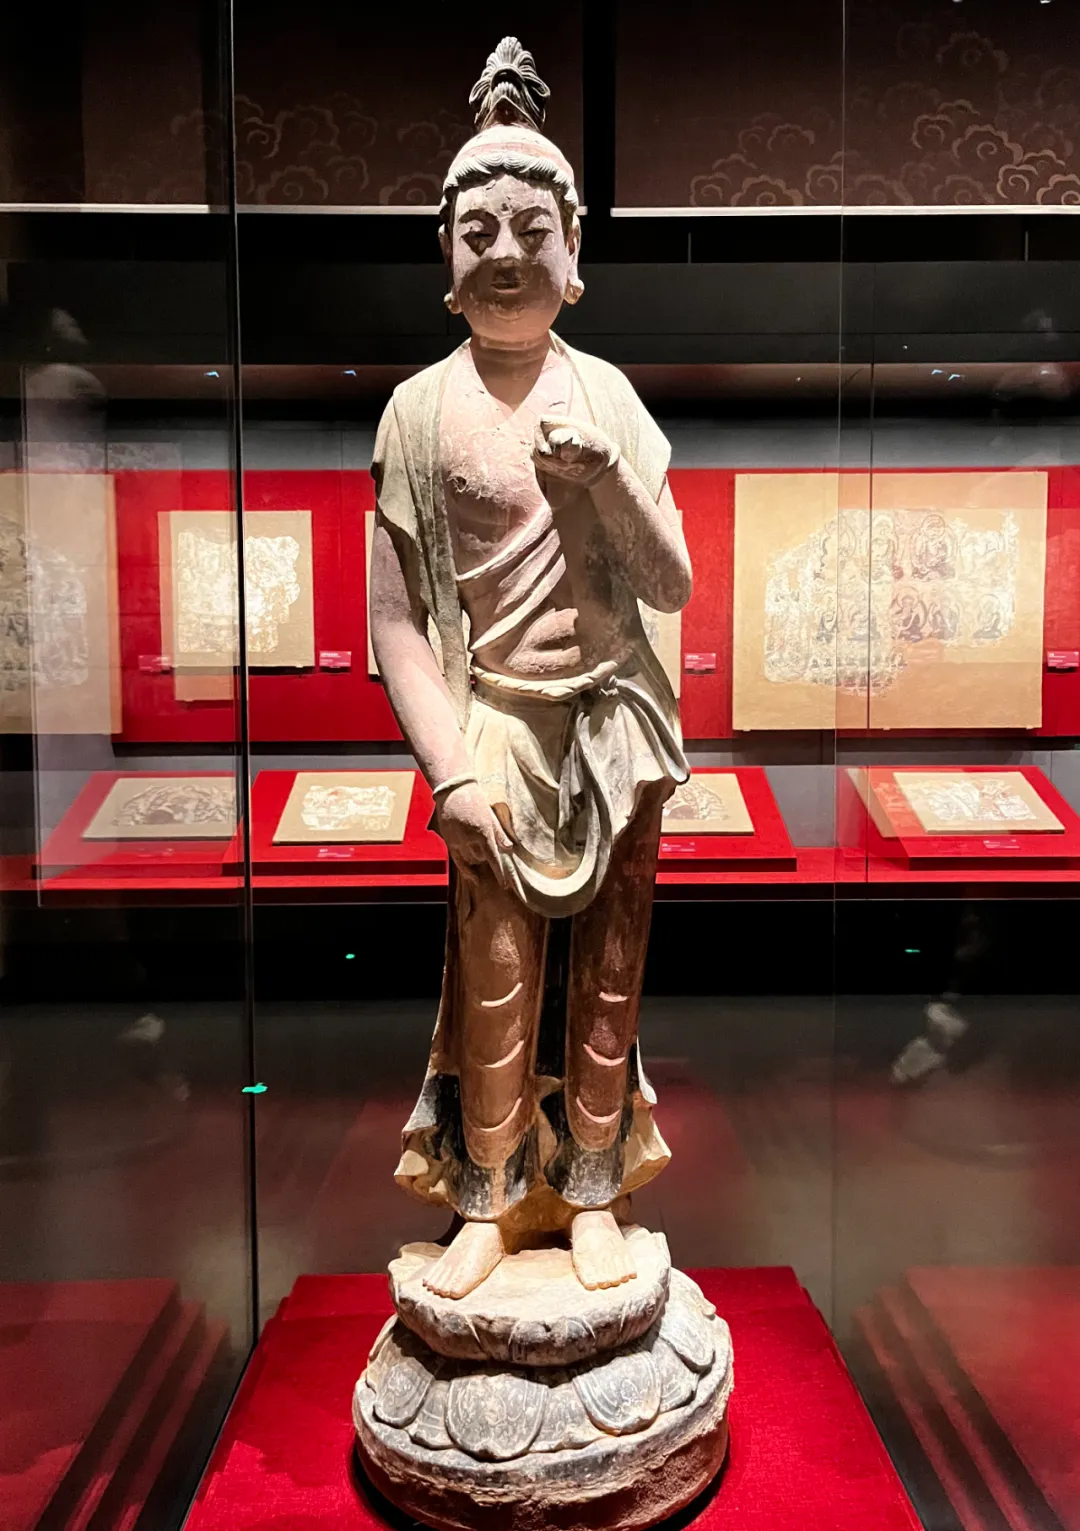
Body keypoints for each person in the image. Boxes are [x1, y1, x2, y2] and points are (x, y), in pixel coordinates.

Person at [369, 38, 691, 1299]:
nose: (505, 252)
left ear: (575, 251)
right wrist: (450, 772)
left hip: (615, 718)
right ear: (445, 258)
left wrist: (606, 480)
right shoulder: (416, 413)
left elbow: (669, 582)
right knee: (494, 981)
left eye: (532, 228)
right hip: (496, 721)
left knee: (611, 973)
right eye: (478, 230)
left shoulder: (608, 398)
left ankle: (596, 1191)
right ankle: (491, 1200)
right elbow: (397, 623)